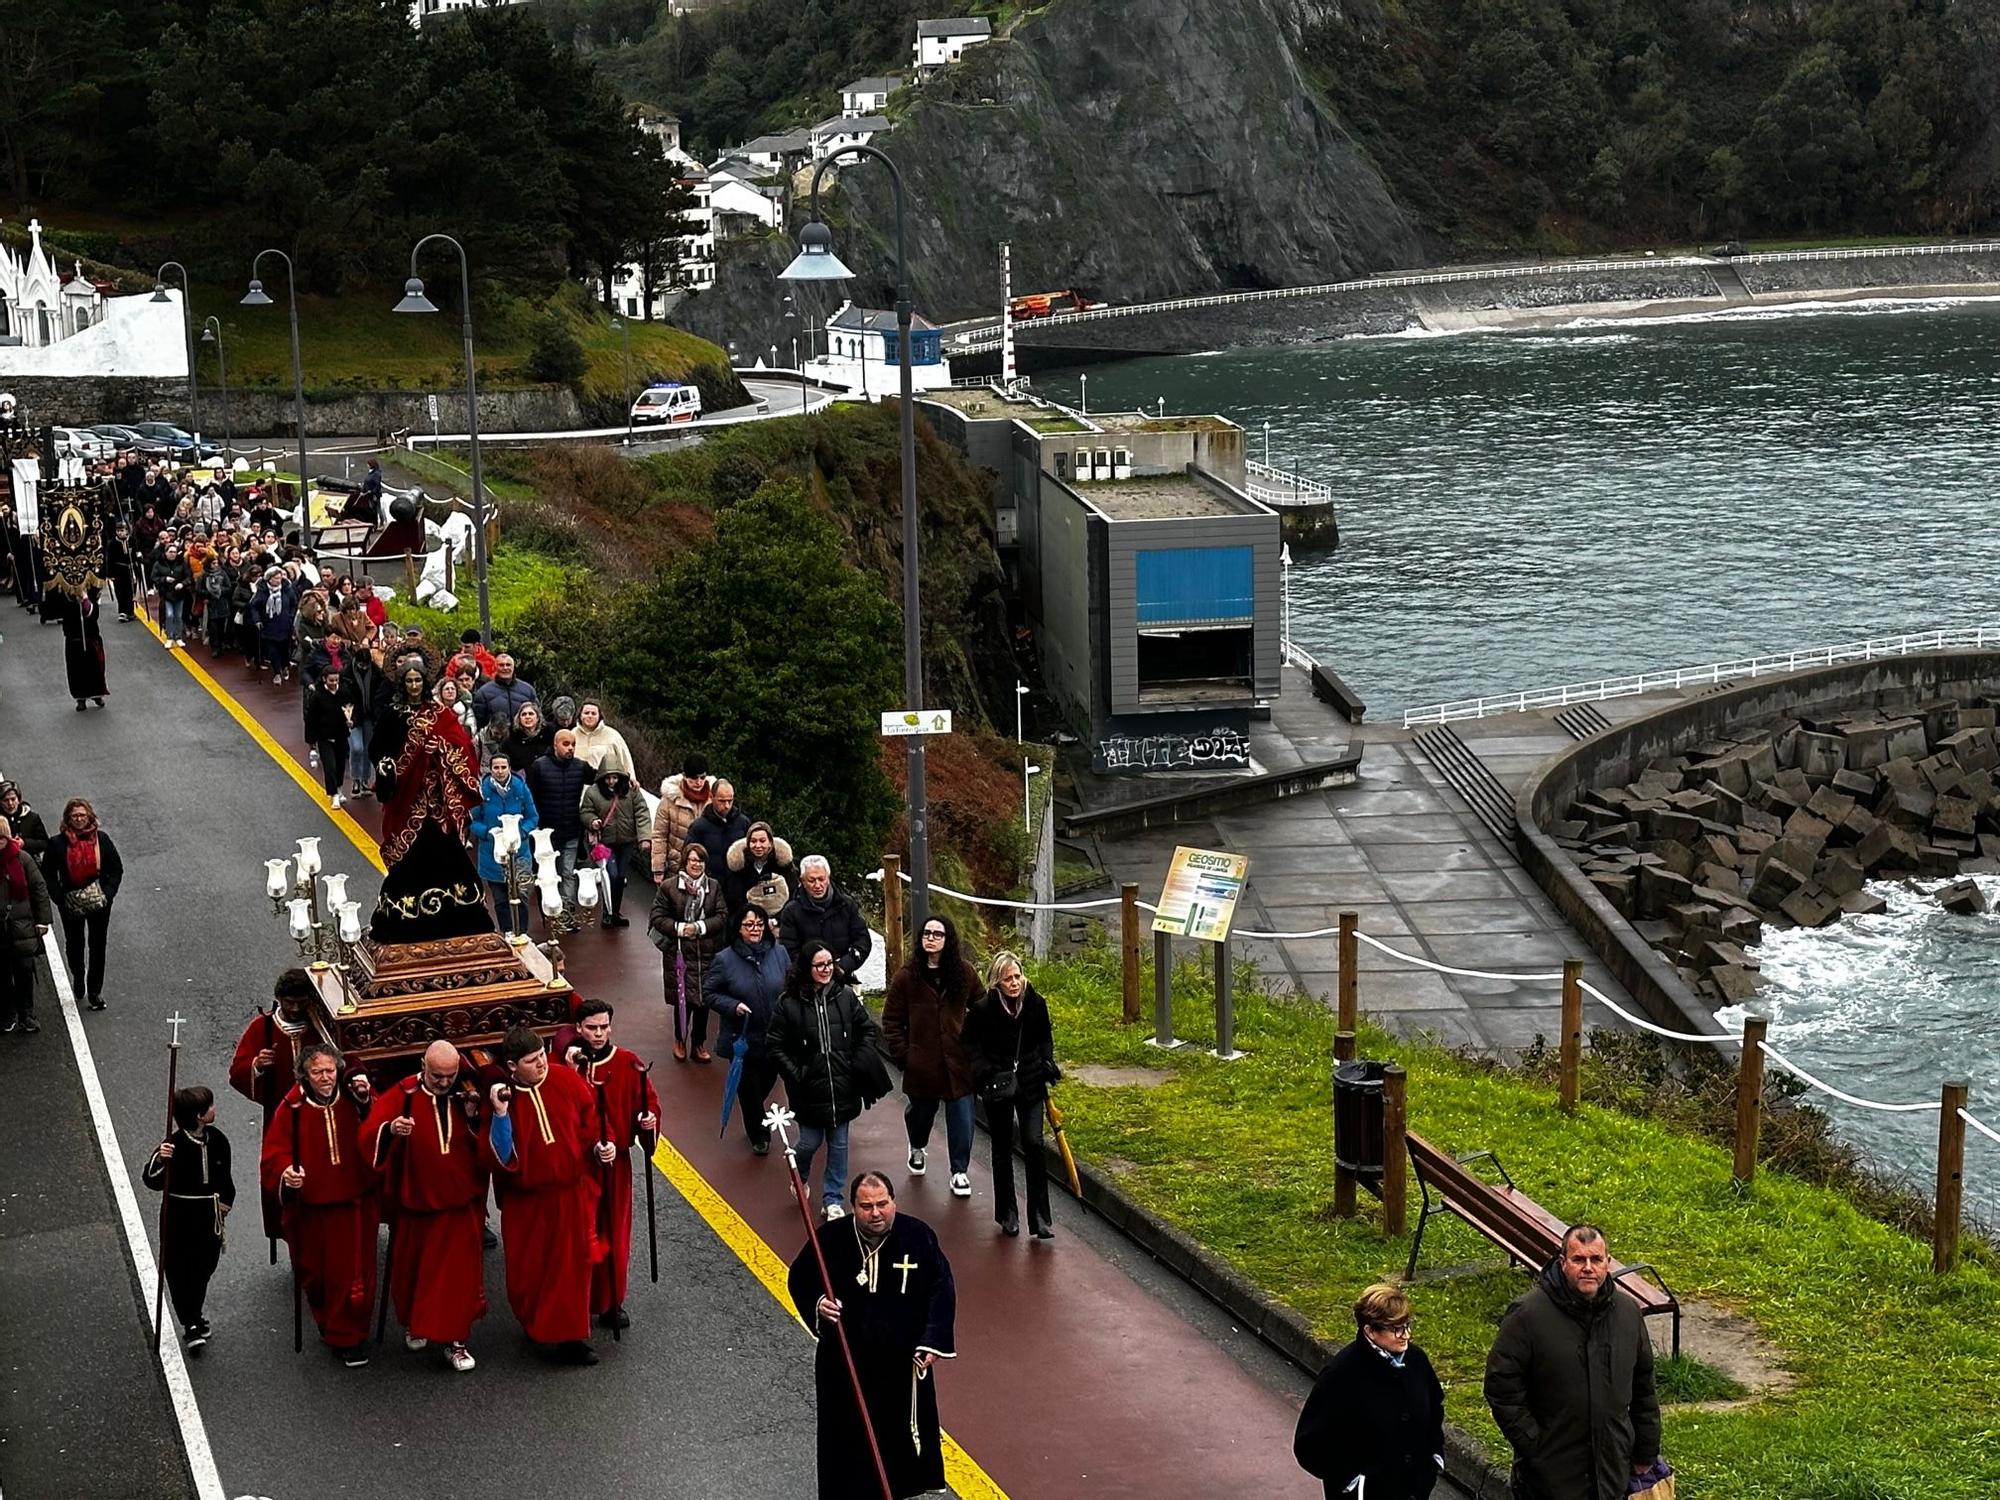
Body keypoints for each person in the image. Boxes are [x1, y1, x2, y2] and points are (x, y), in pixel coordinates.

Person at [786, 1172, 956, 1500]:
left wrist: (932, 1341)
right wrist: (818, 1304)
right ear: (853, 1206)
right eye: (866, 1206)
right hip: (844, 1362)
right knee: (845, 1438)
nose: (875, 1213)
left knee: (897, 1440)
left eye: (882, 1204)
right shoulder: (831, 1238)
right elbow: (801, 1278)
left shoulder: (918, 1237)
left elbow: (942, 1288)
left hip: (900, 1363)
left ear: (894, 1202)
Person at [1485, 1224, 1662, 1500]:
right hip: (1550, 1480)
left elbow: (1643, 1387)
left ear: (1608, 1263)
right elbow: (1501, 1386)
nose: (1588, 1268)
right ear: (1563, 1262)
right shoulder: (1528, 1315)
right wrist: (1534, 1444)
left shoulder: (1627, 1313)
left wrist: (1645, 1450)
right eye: (1579, 1259)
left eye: (1596, 1259)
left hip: (1611, 1474)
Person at [478, 1026, 607, 1365]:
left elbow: (589, 1122)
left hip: (569, 1195)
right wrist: (501, 1115)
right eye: (531, 1060)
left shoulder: (566, 1080)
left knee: (570, 1269)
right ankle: (535, 1323)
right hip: (527, 1202)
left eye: (541, 1056)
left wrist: (598, 1148)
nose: (541, 1064)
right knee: (530, 1271)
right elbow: (498, 1154)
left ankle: (569, 1338)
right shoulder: (502, 1100)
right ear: (511, 1066)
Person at [366, 1041, 487, 1373]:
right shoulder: (402, 1094)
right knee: (413, 1274)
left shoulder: (467, 1092)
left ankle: (456, 1342)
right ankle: (417, 1324)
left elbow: (486, 1140)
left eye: (450, 1075)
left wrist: (474, 1118)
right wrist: (390, 1131)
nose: (444, 1083)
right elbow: (369, 1136)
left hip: (459, 1207)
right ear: (423, 1065)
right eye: (437, 1076)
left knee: (459, 1280)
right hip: (416, 1206)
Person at [260, 1043, 379, 1367]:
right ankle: (331, 1323)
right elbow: (273, 1155)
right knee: (318, 1275)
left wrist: (366, 1100)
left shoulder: (353, 1097)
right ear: (304, 1075)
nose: (325, 1078)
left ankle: (349, 1336)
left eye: (329, 1071)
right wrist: (286, 1172)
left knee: (357, 1275)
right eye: (317, 1072)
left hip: (355, 1203)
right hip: (314, 1212)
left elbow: (379, 1124)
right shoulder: (292, 1108)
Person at [558, 1000, 659, 1331]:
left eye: (603, 1027)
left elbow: (649, 1103)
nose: (598, 1034)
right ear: (579, 1029)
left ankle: (611, 1301)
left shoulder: (628, 1062)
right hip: (579, 1169)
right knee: (579, 1237)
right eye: (591, 1028)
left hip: (616, 1168)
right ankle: (577, 1302)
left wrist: (647, 1120)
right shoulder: (566, 1065)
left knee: (615, 1235)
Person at [1294, 1283, 1447, 1499]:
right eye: (1396, 1329)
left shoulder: (1417, 1360)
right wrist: (1351, 1481)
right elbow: (1309, 1443)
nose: (1406, 1335)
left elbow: (1434, 1408)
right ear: (1370, 1331)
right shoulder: (1342, 1374)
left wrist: (1434, 1457)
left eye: (1407, 1325)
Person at [768, 941, 883, 1218]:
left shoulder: (846, 996)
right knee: (808, 1142)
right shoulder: (788, 1003)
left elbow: (866, 1030)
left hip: (843, 1087)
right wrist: (797, 1073)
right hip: (808, 1091)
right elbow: (775, 1044)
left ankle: (833, 1199)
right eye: (819, 965)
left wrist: (856, 1062)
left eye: (829, 963)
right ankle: (800, 1174)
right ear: (806, 968)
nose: (826, 969)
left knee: (839, 1145)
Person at [881, 915, 980, 1199]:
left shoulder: (964, 973)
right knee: (921, 1114)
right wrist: (905, 1056)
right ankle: (917, 1146)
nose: (931, 938)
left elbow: (982, 1007)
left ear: (948, 940)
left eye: (938, 934)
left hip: (958, 1063)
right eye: (927, 933)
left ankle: (959, 1171)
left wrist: (974, 1047)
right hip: (922, 1065)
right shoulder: (906, 977)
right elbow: (891, 1020)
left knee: (962, 1118)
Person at [962, 951, 1059, 1239]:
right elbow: (969, 1045)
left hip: (1031, 1082)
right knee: (1002, 1147)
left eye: (1018, 976)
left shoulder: (1035, 1002)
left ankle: (1040, 1218)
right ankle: (1007, 1213)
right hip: (999, 1086)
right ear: (997, 983)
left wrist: (1047, 1062)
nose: (1015, 983)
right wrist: (985, 1072)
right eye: (1008, 979)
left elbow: (1045, 1036)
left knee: (1034, 1144)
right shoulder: (982, 1010)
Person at [227, 968, 321, 1249]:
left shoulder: (320, 1024)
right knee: (282, 1172)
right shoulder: (262, 1028)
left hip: (320, 1116)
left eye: (301, 1002)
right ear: (278, 998)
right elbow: (237, 1071)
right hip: (280, 1119)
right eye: (289, 1002)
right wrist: (256, 1065)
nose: (295, 1009)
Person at [141, 1086, 237, 1354]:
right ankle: (191, 1322)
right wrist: (160, 1159)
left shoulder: (218, 1140)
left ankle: (194, 1312)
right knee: (179, 1269)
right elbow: (151, 1180)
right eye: (210, 1106)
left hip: (208, 1214)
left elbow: (225, 1177)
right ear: (198, 1115)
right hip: (178, 1216)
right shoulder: (172, 1145)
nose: (214, 1109)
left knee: (204, 1267)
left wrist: (226, 1202)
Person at [704, 905, 790, 1122]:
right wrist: (733, 1006)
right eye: (749, 925)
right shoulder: (724, 959)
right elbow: (709, 993)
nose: (755, 929)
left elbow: (791, 985)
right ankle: (759, 1133)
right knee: (749, 1090)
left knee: (767, 1081)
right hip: (742, 1038)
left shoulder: (780, 953)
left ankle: (755, 1116)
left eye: (760, 924)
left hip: (774, 1035)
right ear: (739, 928)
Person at [40, 798, 122, 1011]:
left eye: (82, 815)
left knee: (98, 945)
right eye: (74, 816)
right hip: (70, 902)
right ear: (68, 819)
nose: (78, 819)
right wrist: (60, 898)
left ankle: (95, 991)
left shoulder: (102, 840)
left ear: (90, 816)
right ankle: (78, 974)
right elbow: (48, 874)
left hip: (99, 902)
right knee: (74, 943)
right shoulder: (57, 844)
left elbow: (115, 869)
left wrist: (107, 894)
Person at [652, 842, 728, 1062]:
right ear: (685, 862)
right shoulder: (669, 887)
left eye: (701, 860)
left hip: (706, 952)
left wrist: (699, 927)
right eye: (693, 860)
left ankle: (698, 1043)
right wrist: (679, 928)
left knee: (704, 999)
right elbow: (657, 916)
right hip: (679, 952)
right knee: (682, 998)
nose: (697, 864)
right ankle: (680, 1038)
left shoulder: (713, 886)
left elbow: (722, 915)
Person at [469, 752, 538, 934]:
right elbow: (472, 820)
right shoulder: (481, 791)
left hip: (519, 853)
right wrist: (487, 833)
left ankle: (522, 933)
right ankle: (507, 932)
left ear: (509, 768)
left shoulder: (521, 789)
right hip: (492, 854)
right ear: (491, 770)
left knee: (522, 896)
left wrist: (522, 832)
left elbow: (533, 816)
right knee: (500, 901)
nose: (500, 771)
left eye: (503, 767)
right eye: (496, 768)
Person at [527, 730, 591, 919]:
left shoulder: (580, 767)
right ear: (555, 745)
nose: (570, 748)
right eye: (566, 744)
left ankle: (567, 914)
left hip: (571, 829)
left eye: (573, 744)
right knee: (549, 875)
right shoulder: (539, 766)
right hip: (546, 833)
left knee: (568, 872)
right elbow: (530, 797)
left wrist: (627, 779)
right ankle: (550, 910)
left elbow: (602, 778)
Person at [779, 856, 872, 985]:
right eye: (811, 880)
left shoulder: (847, 905)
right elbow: (789, 949)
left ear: (828, 878)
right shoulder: (791, 911)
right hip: (807, 982)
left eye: (821, 879)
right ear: (802, 881)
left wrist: (842, 966)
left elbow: (862, 941)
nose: (817, 885)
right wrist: (814, 969)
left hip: (843, 978)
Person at [0, 814, 53, 1035]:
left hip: (22, 927)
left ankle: (27, 1015)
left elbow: (39, 888)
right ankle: (7, 1014)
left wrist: (43, 920)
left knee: (24, 972)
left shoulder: (22, 859)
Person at [578, 766, 642, 928]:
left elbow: (642, 812)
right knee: (610, 876)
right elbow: (585, 811)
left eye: (614, 777)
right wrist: (592, 821)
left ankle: (615, 912)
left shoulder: (631, 790)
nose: (611, 781)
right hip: (606, 843)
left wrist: (644, 837)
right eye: (607, 778)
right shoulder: (593, 792)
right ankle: (608, 912)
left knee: (620, 877)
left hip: (626, 841)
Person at [649, 756, 718, 880]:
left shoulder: (714, 799)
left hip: (707, 869)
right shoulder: (669, 800)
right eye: (694, 778)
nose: (699, 782)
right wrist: (658, 869)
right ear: (685, 776)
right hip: (676, 867)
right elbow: (659, 835)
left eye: (702, 778)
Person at [339, 638, 389, 798]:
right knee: (356, 748)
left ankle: (365, 780)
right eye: (361, 664)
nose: (364, 667)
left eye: (366, 664)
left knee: (368, 748)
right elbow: (344, 698)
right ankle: (355, 778)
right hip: (353, 716)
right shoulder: (346, 675)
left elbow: (381, 694)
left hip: (370, 716)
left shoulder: (376, 673)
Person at [723, 820, 795, 923]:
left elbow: (793, 895)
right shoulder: (740, 868)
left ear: (770, 843)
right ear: (748, 844)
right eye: (753, 841)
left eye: (762, 841)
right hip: (748, 923)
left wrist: (777, 920)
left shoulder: (783, 866)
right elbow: (734, 901)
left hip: (780, 922)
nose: (758, 845)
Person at [684, 777, 750, 876]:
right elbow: (688, 857)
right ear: (711, 797)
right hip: (709, 881)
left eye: (730, 801)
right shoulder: (698, 827)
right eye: (722, 801)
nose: (727, 806)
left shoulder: (743, 823)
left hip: (737, 881)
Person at [305, 670, 351, 808]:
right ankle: (334, 795)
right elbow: (311, 719)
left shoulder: (344, 692)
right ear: (324, 679)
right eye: (331, 680)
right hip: (324, 738)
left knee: (340, 766)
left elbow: (351, 707)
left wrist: (352, 720)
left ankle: (340, 789)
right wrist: (311, 742)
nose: (334, 683)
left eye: (336, 680)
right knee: (330, 767)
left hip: (341, 736)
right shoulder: (317, 696)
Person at [58, 588, 109, 710]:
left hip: (90, 636)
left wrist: (84, 598)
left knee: (95, 667)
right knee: (76, 669)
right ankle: (80, 698)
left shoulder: (91, 591)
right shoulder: (65, 593)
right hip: (74, 638)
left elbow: (93, 614)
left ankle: (97, 695)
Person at [251, 566, 298, 684]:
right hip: (268, 626)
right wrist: (257, 620)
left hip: (285, 625)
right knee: (273, 651)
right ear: (269, 579)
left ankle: (285, 666)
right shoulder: (262, 591)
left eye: (280, 578)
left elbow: (294, 603)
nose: (278, 580)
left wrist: (290, 617)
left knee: (285, 650)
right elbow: (254, 607)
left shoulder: (287, 589)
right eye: (276, 578)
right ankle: (277, 672)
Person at [472, 651, 537, 730]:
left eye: (508, 665)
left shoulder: (528, 690)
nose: (505, 668)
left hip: (523, 736)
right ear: (495, 667)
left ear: (513, 667)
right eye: (501, 665)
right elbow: (479, 722)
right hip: (496, 736)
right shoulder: (483, 693)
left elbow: (537, 716)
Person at [571, 700, 634, 777]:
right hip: (577, 781)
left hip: (605, 781)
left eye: (593, 713)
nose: (590, 716)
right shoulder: (572, 734)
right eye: (586, 713)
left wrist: (631, 778)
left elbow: (625, 759)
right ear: (580, 715)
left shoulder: (613, 735)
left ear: (599, 716)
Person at [151, 538, 192, 647]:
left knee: (178, 616)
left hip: (179, 594)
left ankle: (178, 637)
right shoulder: (159, 564)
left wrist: (182, 584)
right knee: (169, 615)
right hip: (166, 594)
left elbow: (188, 577)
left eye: (174, 552)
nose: (172, 554)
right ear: (166, 553)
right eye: (170, 552)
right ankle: (169, 637)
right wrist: (164, 579)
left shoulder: (182, 563)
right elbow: (154, 577)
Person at [501, 700, 552, 776]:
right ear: (519, 719)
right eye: (524, 714)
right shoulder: (510, 741)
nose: (527, 717)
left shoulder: (549, 735)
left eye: (531, 714)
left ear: (537, 718)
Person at [0, 783, 49, 860]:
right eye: (6, 800)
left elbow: (44, 843)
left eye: (13, 799)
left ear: (19, 800)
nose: (10, 803)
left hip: (28, 862)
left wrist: (25, 843)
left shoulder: (32, 818)